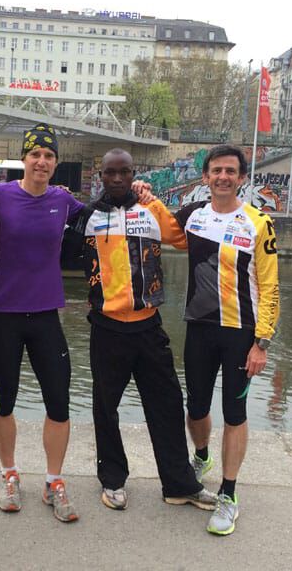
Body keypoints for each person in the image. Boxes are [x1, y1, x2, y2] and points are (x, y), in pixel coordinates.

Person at [71, 148, 219, 513]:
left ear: (133, 174)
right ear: (101, 176)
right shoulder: (88, 216)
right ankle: (112, 479)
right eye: (110, 172)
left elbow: (181, 239)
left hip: (148, 326)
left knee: (167, 404)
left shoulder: (149, 210)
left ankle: (179, 484)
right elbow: (59, 251)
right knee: (106, 408)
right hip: (106, 328)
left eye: (124, 172)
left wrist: (154, 202)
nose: (117, 178)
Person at [174, 144, 280, 536]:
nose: (223, 177)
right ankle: (201, 456)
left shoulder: (259, 223)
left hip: (240, 334)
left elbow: (270, 287)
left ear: (242, 178)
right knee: (196, 407)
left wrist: (262, 343)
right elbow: (158, 227)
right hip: (199, 328)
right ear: (205, 177)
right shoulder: (193, 216)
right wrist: (143, 195)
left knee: (235, 414)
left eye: (230, 171)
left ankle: (228, 494)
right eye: (216, 170)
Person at [0, 123, 83, 523]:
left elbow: (108, 211)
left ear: (56, 162)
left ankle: (53, 481)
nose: (41, 161)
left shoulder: (64, 201)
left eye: (49, 156)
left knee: (58, 401)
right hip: (3, 314)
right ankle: (9, 474)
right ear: (23, 159)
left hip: (46, 314)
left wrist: (141, 193)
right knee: (3, 399)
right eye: (35, 155)